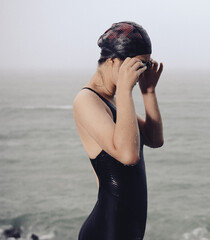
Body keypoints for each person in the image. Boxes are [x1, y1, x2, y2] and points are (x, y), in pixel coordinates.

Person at [72, 21, 164, 240]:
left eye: (144, 66)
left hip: (128, 230)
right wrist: (124, 89)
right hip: (105, 232)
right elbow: (128, 155)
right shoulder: (86, 100)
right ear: (113, 61)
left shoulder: (112, 101)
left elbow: (154, 139)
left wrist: (148, 92)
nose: (139, 73)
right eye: (136, 66)